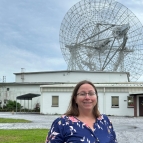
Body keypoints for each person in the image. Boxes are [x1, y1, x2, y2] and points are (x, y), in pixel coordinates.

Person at [45, 80, 117, 143]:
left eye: (91, 93)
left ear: (96, 97)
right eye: (82, 94)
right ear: (75, 99)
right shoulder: (61, 123)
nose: (87, 97)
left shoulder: (105, 121)